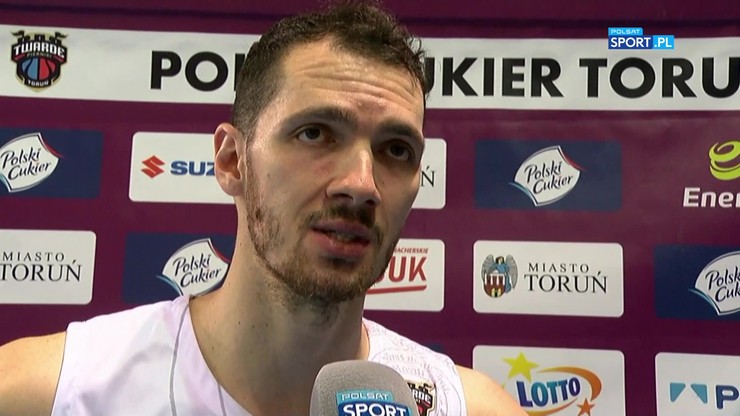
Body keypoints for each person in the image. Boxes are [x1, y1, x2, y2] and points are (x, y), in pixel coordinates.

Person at [0, 1, 526, 415]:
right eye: (315, 133)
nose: (361, 185)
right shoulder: (45, 393)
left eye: (395, 150)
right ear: (232, 161)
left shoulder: (469, 407)